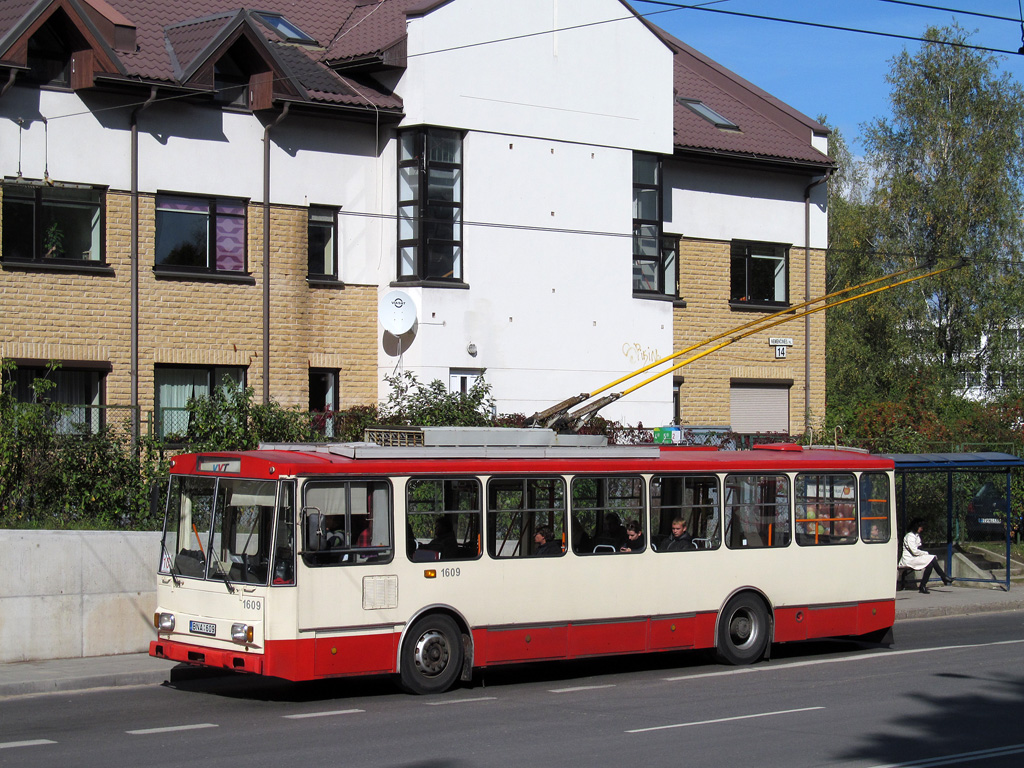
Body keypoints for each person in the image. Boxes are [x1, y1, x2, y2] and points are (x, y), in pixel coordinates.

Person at [900, 518, 952, 593]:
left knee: (930, 565)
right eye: (920, 527)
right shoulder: (910, 536)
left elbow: (919, 548)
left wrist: (924, 553)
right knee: (932, 558)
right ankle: (943, 577)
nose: (922, 529)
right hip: (909, 560)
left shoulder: (916, 536)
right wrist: (925, 553)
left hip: (915, 558)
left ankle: (923, 586)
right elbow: (914, 551)